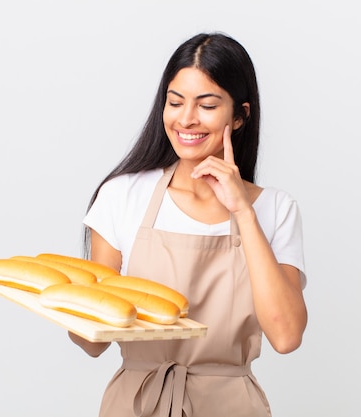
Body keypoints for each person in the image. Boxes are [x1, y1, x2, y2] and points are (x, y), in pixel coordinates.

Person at [70, 32, 308, 417]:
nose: (186, 118)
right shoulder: (122, 196)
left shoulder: (274, 209)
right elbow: (92, 341)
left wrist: (242, 212)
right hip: (137, 402)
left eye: (207, 105)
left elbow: (286, 335)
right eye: (175, 102)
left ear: (240, 115)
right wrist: (69, 304)